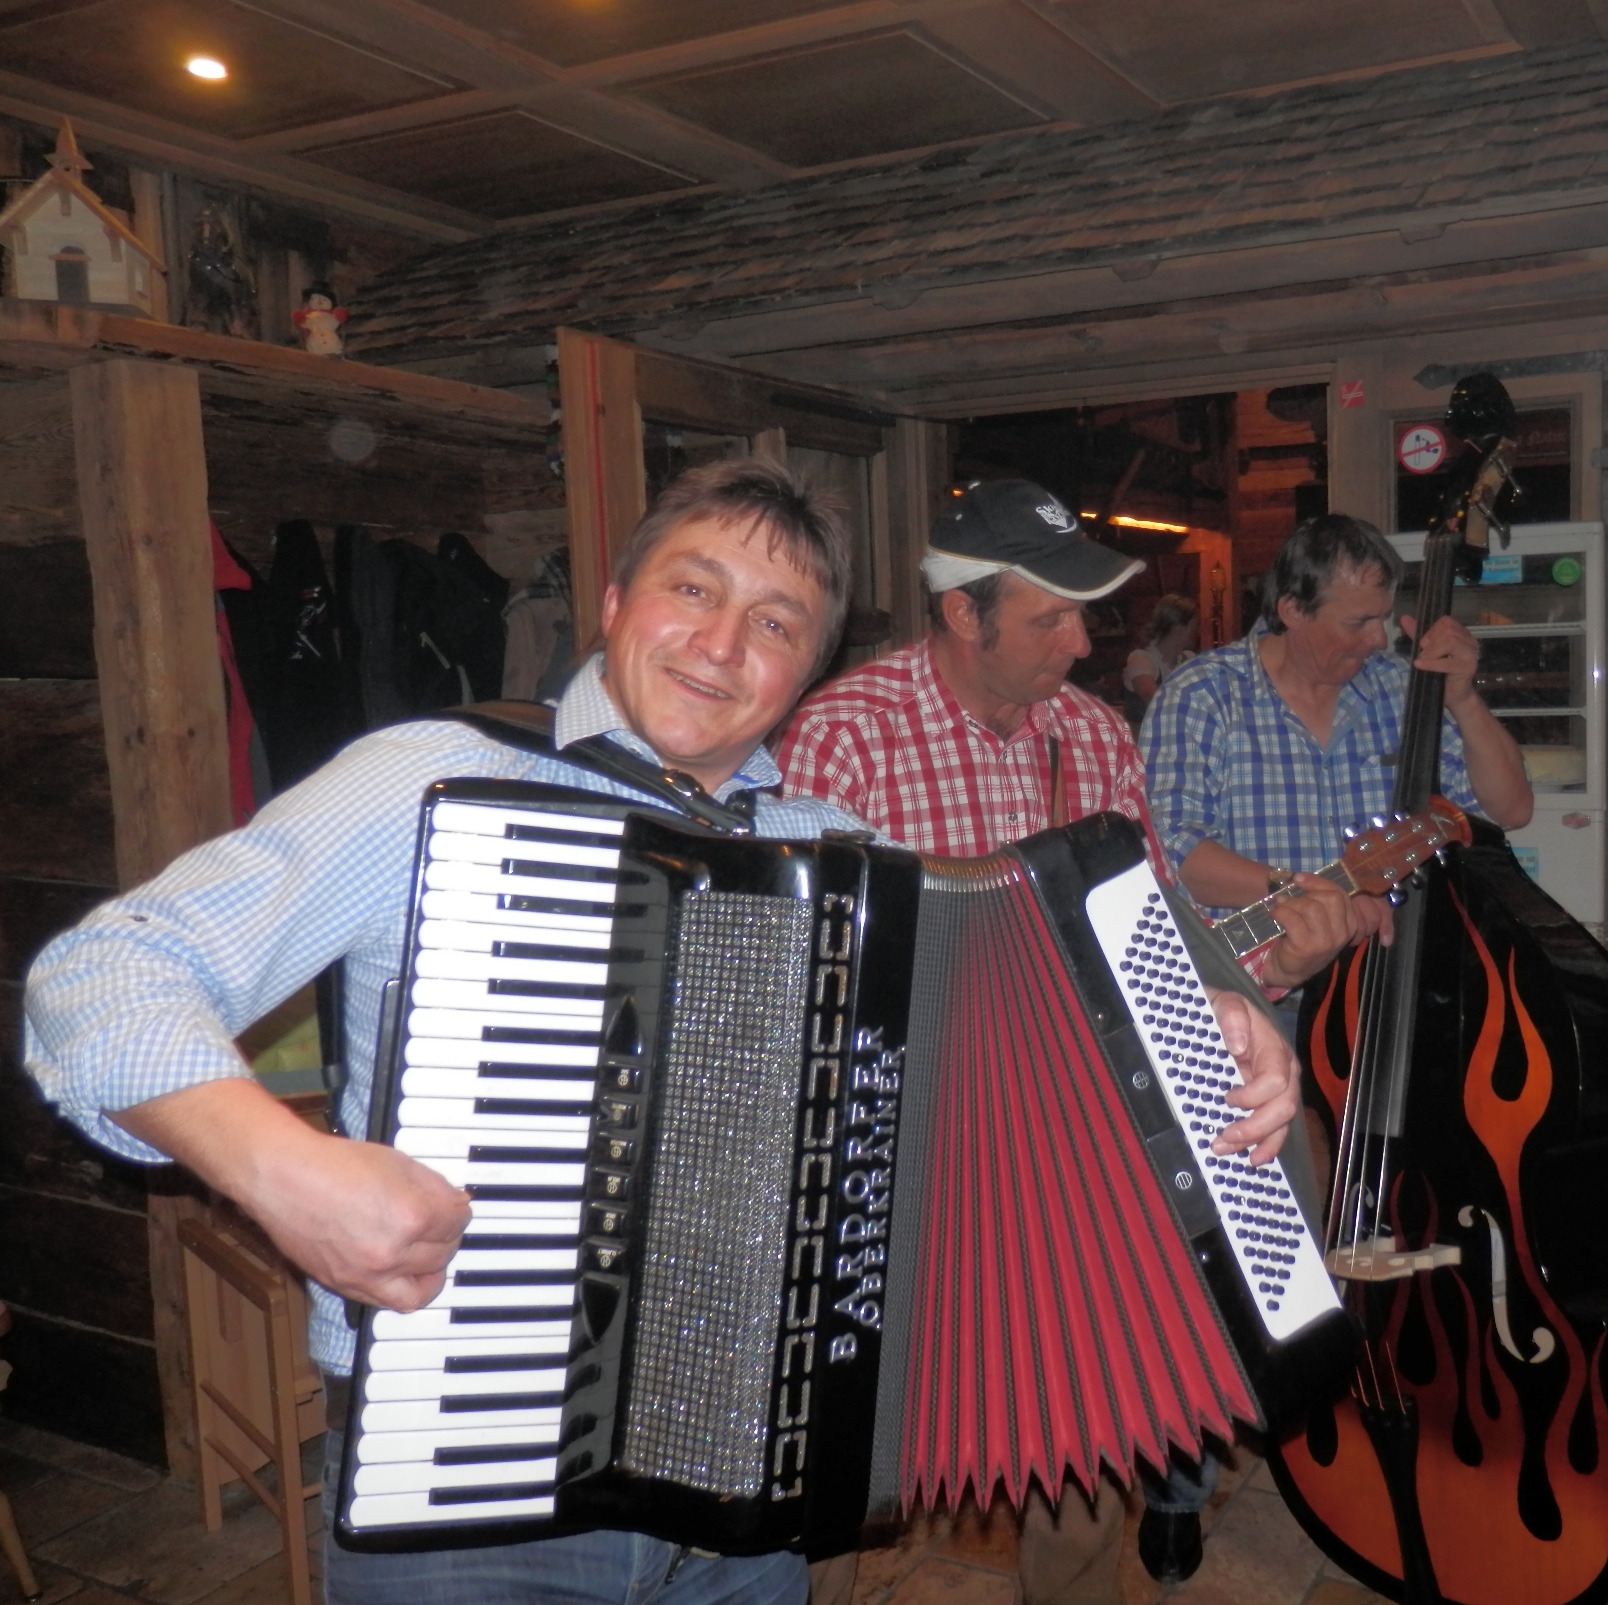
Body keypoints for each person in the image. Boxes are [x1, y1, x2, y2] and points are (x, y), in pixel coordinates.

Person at [23, 461, 1303, 1605]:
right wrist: (283, 1169)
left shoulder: (828, 851)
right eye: (693, 590)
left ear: (803, 675)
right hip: (476, 1492)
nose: (721, 645)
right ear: (615, 603)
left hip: (748, 1513)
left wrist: (1204, 1034)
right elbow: (102, 976)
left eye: (775, 624)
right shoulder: (431, 779)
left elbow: (1025, 1030)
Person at [776, 477, 1351, 1601]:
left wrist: (1247, 983)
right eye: (1050, 620)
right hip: (904, 1137)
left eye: (1084, 618)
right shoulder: (844, 735)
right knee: (848, 1452)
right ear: (962, 613)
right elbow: (817, 976)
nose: (1082, 646)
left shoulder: (1091, 735)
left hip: (1066, 1133)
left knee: (1086, 1409)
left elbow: (1147, 935)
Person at [1140, 513, 1533, 926]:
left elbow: (1511, 810)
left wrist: (1464, 700)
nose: (1379, 639)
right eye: (1358, 622)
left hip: (1390, 956)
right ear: (1293, 610)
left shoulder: (1400, 686)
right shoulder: (1201, 694)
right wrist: (1318, 896)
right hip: (1263, 962)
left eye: (1383, 617)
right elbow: (1176, 851)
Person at [1121, 594, 1198, 727]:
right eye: (1194, 626)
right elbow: (1152, 699)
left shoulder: (1189, 659)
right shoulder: (1141, 660)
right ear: (1179, 629)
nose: (1197, 631)